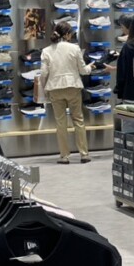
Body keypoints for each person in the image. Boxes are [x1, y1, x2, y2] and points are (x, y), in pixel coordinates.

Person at [39, 21, 92, 165]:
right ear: (67, 34)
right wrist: (90, 67)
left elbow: (43, 73)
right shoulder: (74, 48)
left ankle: (64, 156)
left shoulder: (46, 51)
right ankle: (84, 154)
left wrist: (45, 88)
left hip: (54, 88)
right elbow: (83, 71)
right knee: (78, 120)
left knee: (60, 122)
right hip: (73, 86)